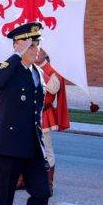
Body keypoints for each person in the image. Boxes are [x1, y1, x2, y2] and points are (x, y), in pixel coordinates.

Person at [0, 22, 51, 205]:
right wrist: (17, 54)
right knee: (4, 196)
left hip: (32, 144)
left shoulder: (36, 73)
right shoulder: (6, 67)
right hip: (9, 145)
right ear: (18, 45)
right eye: (31, 45)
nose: (37, 49)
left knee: (42, 193)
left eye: (38, 44)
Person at [35, 48, 69, 194]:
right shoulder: (26, 67)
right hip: (28, 114)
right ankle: (24, 180)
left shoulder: (52, 69)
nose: (36, 52)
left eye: (39, 49)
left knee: (46, 149)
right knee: (26, 148)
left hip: (44, 114)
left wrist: (40, 71)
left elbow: (54, 88)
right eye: (33, 48)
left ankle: (48, 183)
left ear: (46, 52)